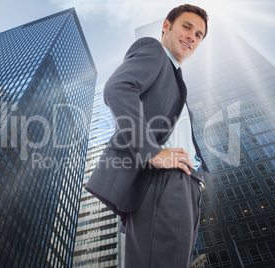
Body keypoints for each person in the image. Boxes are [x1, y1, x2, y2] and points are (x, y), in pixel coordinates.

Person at [86, 4, 209, 267]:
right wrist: (151, 152)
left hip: (185, 186)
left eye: (198, 34)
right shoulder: (154, 51)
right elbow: (117, 88)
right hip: (163, 181)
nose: (192, 36)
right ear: (166, 26)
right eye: (186, 27)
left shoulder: (176, 80)